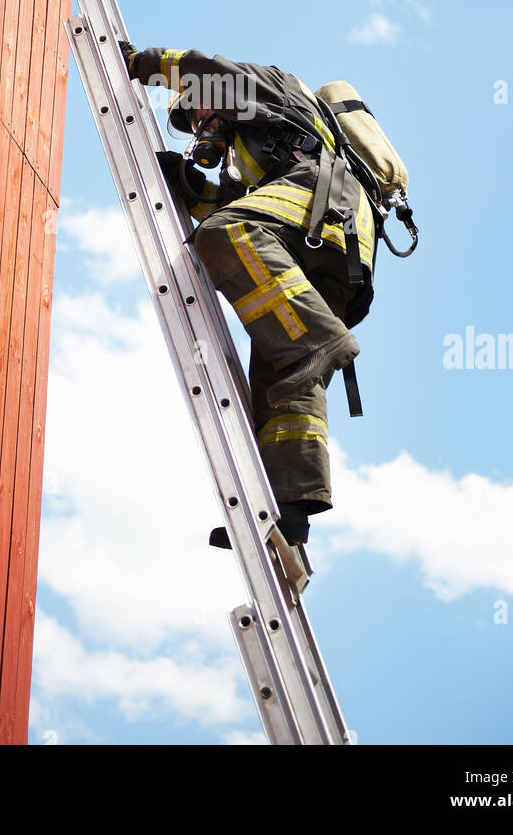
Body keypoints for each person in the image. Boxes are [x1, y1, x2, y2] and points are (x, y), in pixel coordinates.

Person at [119, 42, 378, 548]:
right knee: (284, 373)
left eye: (196, 113)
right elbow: (243, 203)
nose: (200, 126)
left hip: (327, 202)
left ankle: (320, 343)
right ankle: (291, 510)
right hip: (331, 242)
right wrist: (182, 177)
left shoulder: (261, 87)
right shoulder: (263, 142)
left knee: (222, 235)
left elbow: (206, 70)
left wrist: (140, 64)